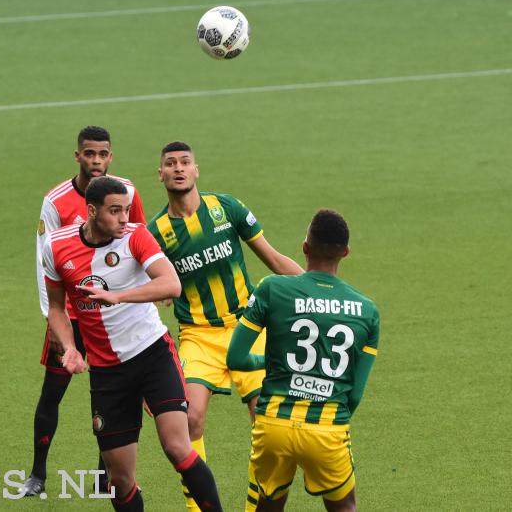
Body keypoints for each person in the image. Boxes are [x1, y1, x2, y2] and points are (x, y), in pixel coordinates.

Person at [42, 176, 224, 511]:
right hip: (107, 372)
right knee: (120, 480)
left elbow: (171, 284)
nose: (124, 218)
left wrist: (118, 297)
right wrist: (68, 346)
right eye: (115, 211)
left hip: (153, 355)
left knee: (177, 448)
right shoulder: (56, 246)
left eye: (126, 209)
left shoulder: (135, 236)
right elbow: (56, 308)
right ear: (92, 210)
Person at [146, 141, 303, 511]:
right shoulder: (156, 232)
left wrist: (318, 289)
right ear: (161, 175)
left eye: (185, 162)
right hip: (198, 335)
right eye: (171, 164)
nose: (179, 168)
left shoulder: (226, 208)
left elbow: (274, 259)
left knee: (267, 421)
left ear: (196, 170)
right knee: (190, 420)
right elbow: (153, 288)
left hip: (247, 328)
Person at [226, 209, 380, 512]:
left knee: (268, 505)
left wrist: (270, 364)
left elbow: (236, 357)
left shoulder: (272, 288)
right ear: (345, 253)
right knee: (345, 506)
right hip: (328, 427)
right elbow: (356, 394)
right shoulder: (367, 310)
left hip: (273, 424)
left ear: (305, 247)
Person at [24, 126, 147, 496]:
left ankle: (102, 477)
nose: (96, 161)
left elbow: (139, 240)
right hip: (71, 318)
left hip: (112, 317)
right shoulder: (56, 201)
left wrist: (140, 297)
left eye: (103, 154)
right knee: (52, 392)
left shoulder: (126, 191)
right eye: (89, 154)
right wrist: (52, 318)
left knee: (109, 393)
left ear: (111, 156)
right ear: (77, 155)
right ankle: (37, 475)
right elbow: (43, 262)